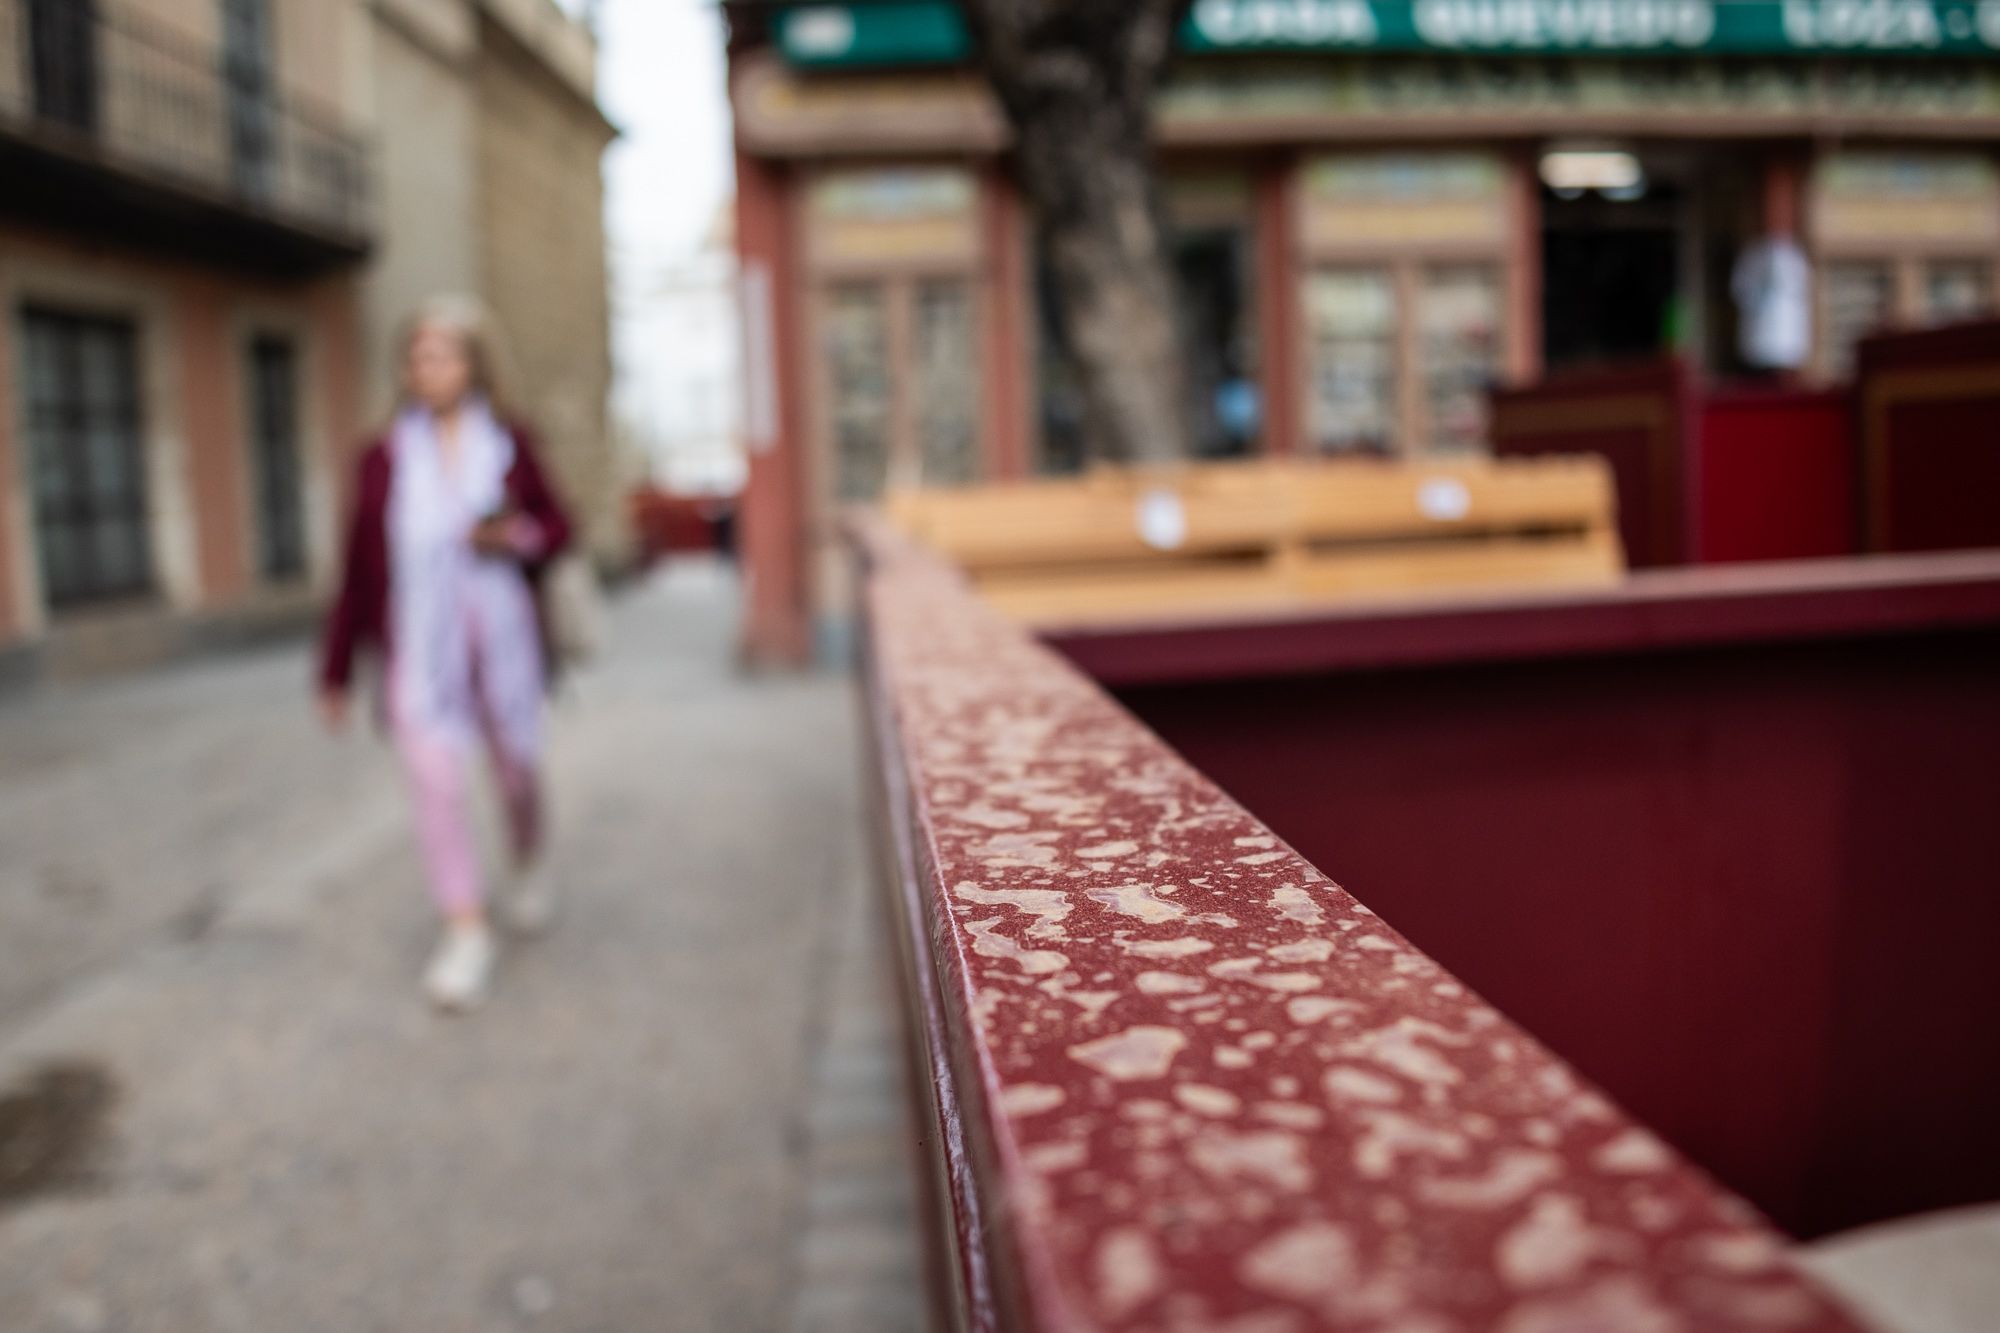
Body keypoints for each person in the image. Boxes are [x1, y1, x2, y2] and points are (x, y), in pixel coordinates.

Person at [317, 297, 574, 1011]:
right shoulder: (381, 457)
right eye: (419, 356)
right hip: (418, 654)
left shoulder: (510, 442)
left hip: (503, 644)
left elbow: (560, 526)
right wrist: (335, 669)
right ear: (405, 368)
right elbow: (355, 570)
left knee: (518, 772)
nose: (430, 369)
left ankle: (526, 859)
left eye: (446, 354)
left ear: (472, 362)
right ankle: (465, 926)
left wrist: (514, 536)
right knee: (436, 781)